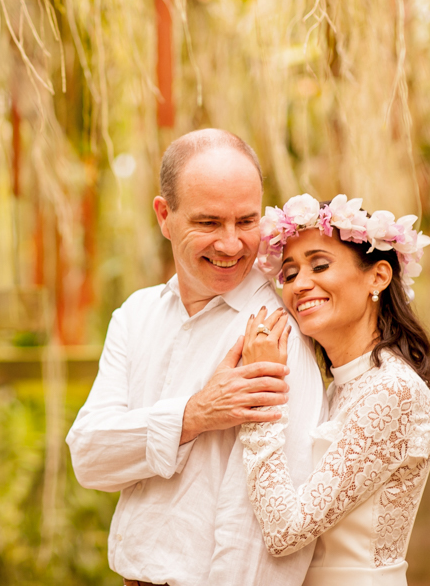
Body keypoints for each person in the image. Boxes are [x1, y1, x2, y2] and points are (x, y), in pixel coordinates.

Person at [66, 130, 325, 586]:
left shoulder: (275, 331)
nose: (231, 245)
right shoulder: (136, 314)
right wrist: (194, 415)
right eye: (208, 223)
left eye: (246, 222)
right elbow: (89, 456)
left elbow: (261, 529)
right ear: (165, 216)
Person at [238, 194, 430, 586]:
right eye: (289, 274)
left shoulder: (391, 390)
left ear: (378, 277)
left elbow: (286, 532)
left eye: (320, 265)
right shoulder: (340, 388)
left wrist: (259, 391)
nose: (301, 284)